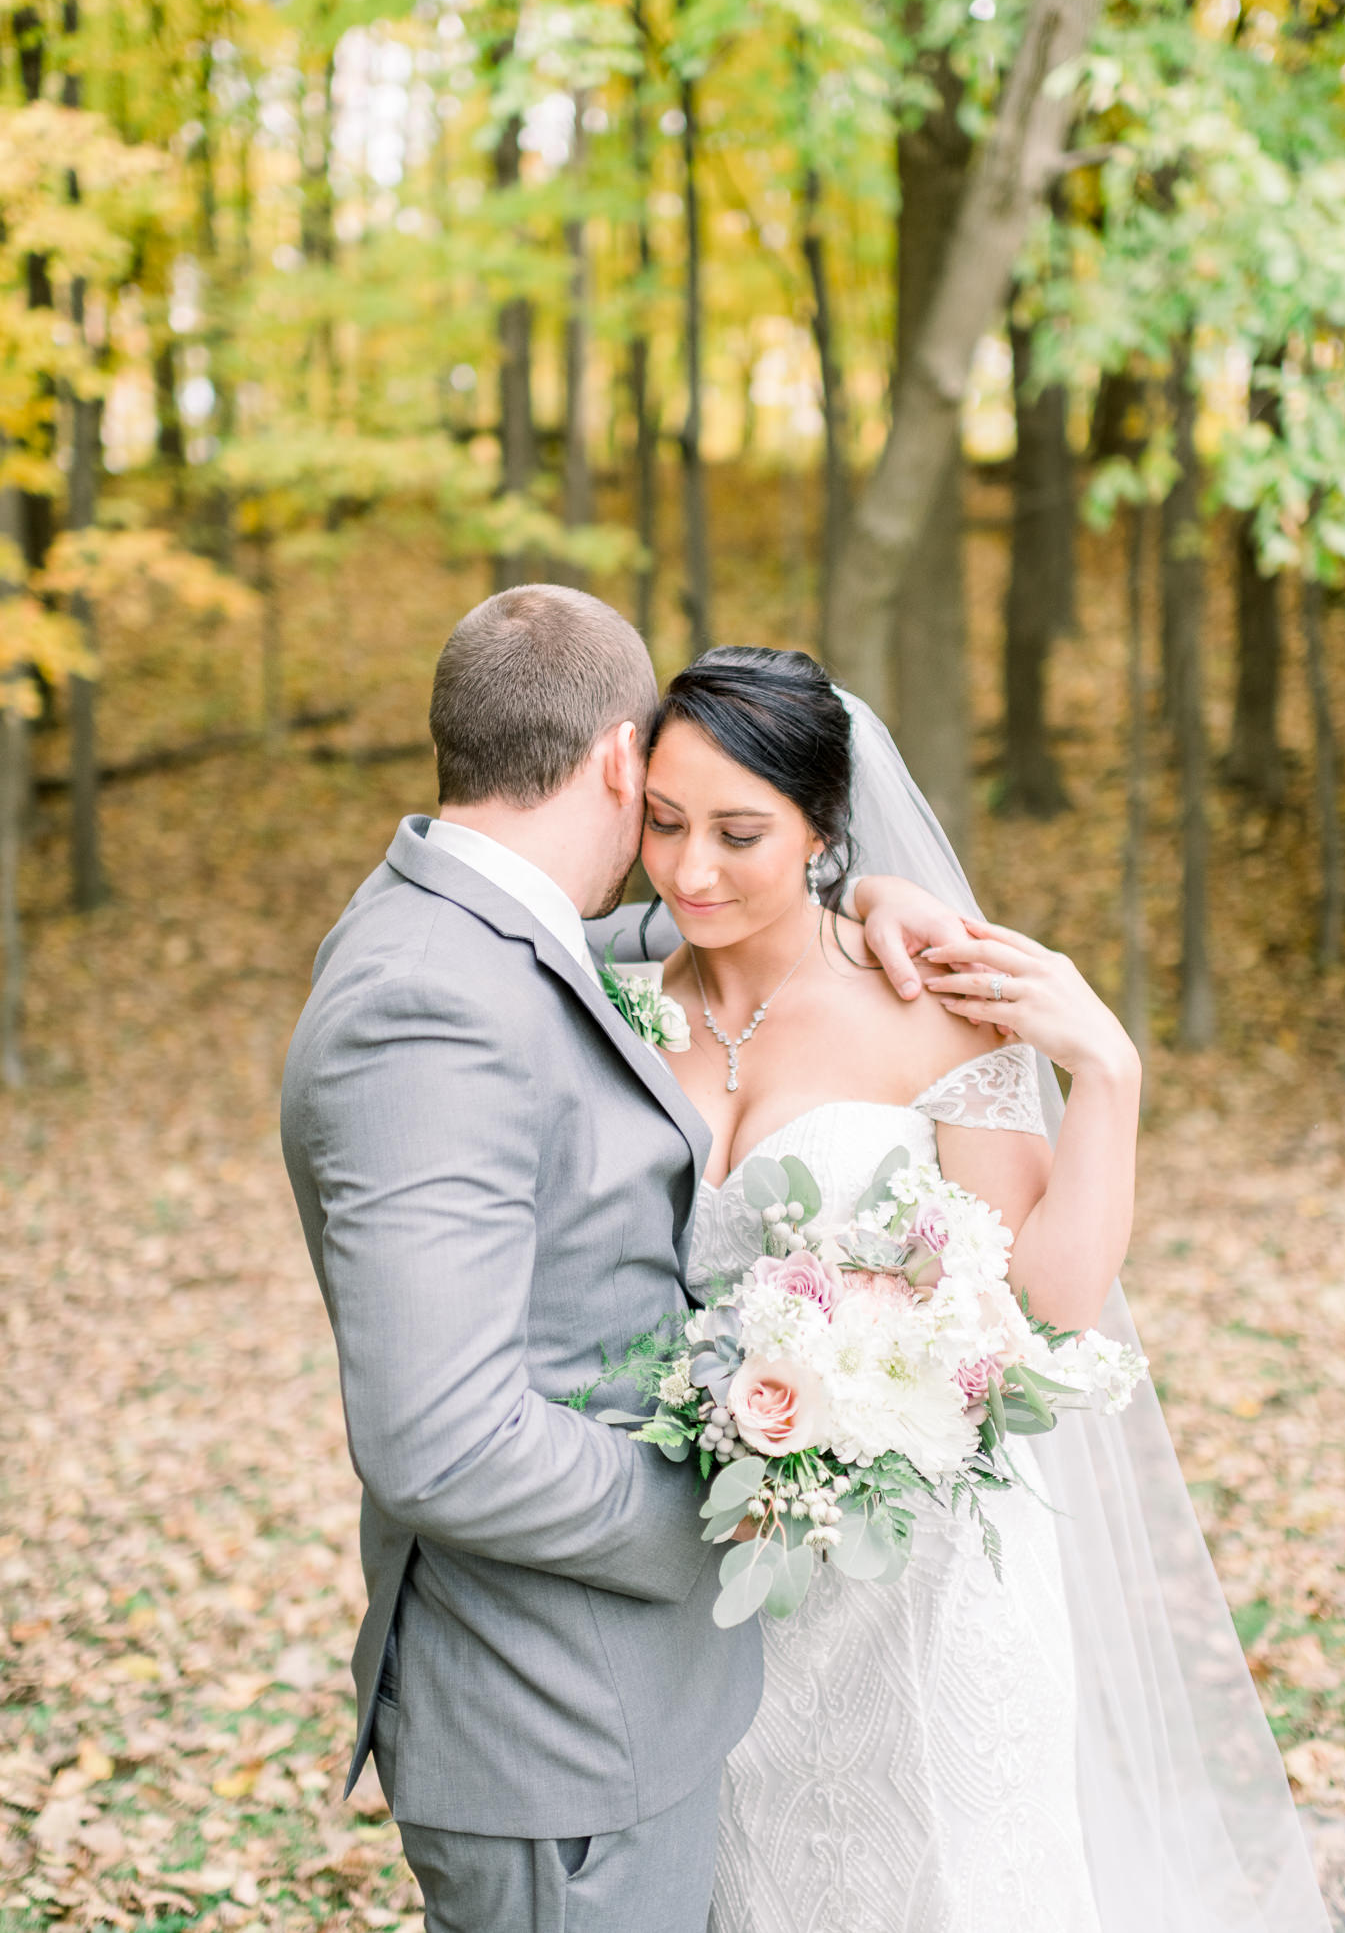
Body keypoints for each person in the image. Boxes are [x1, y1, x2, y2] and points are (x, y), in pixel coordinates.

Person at [279, 588, 979, 1933]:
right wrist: (721, 1518)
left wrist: (849, 885)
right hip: (551, 1730)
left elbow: (618, 944)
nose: (674, 853)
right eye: (660, 805)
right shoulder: (431, 1002)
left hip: (606, 1710)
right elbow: (442, 1442)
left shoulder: (469, 932)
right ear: (618, 760)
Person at [606, 644, 1332, 1933]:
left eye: (739, 832)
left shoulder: (933, 1005)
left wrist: (1109, 1076)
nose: (690, 869)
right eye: (662, 824)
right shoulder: (613, 1005)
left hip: (924, 1588)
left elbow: (1045, 1311)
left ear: (825, 830)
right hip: (712, 1591)